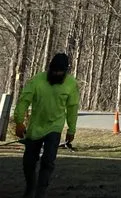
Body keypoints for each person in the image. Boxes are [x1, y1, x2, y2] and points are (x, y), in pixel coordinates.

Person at [13, 52, 80, 198]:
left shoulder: (71, 84)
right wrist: (19, 122)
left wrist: (71, 129)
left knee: (48, 160)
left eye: (60, 71)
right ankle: (30, 186)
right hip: (35, 127)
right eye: (54, 70)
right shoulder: (37, 80)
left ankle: (41, 192)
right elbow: (24, 100)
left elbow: (72, 107)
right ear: (49, 68)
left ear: (65, 71)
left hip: (55, 127)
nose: (56, 73)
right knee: (29, 161)